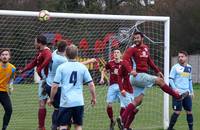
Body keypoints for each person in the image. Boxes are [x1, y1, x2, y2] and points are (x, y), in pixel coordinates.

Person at [117, 32, 189, 130]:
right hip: (138, 75)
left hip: (139, 78)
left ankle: (122, 118)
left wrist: (157, 70)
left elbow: (149, 61)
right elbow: (124, 60)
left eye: (137, 38)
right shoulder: (132, 48)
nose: (136, 40)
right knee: (160, 81)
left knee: (138, 101)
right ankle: (178, 96)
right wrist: (130, 70)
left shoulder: (146, 48)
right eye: (134, 38)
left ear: (142, 38)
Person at [46, 40, 97, 130]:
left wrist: (51, 98)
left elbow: (54, 86)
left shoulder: (61, 67)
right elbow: (91, 84)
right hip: (78, 102)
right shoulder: (82, 67)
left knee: (63, 126)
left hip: (66, 102)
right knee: (78, 126)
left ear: (66, 54)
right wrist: (93, 98)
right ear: (77, 55)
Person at [20, 35, 52, 130]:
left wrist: (40, 68)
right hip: (44, 82)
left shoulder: (46, 52)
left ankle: (43, 127)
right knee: (43, 104)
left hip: (48, 81)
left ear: (39, 43)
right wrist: (24, 69)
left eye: (35, 42)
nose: (34, 44)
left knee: (50, 103)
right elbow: (34, 62)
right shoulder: (40, 52)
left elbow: (49, 57)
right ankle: (41, 127)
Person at [168, 51, 194, 130]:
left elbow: (189, 80)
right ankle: (170, 128)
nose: (180, 58)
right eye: (179, 57)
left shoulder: (188, 67)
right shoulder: (175, 67)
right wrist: (175, 89)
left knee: (189, 111)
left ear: (186, 57)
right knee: (177, 112)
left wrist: (191, 91)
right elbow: (171, 79)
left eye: (182, 56)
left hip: (187, 93)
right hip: (177, 94)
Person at [99, 49, 123, 130]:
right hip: (112, 86)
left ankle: (120, 119)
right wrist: (102, 79)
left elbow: (128, 73)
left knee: (124, 105)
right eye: (114, 53)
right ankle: (112, 120)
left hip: (121, 86)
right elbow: (103, 70)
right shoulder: (110, 63)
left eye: (117, 52)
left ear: (120, 54)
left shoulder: (123, 63)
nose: (116, 54)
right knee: (109, 105)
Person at [0, 48, 16, 130]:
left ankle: (4, 128)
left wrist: (11, 85)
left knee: (9, 110)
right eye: (2, 55)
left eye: (6, 55)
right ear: (0, 57)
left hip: (3, 92)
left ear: (9, 57)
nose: (4, 56)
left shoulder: (12, 68)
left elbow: (12, 78)